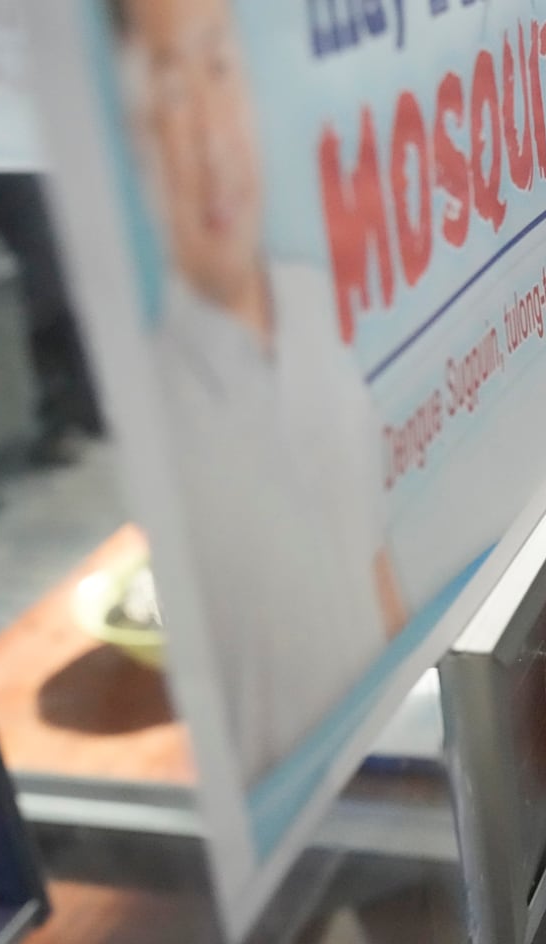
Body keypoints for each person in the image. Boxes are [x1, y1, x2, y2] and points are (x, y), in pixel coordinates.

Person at [109, 0, 407, 787]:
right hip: (302, 841)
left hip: (396, 780)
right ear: (134, 141)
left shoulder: (317, 309)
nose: (209, 139)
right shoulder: (159, 405)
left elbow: (374, 569)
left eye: (219, 69)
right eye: (169, 96)